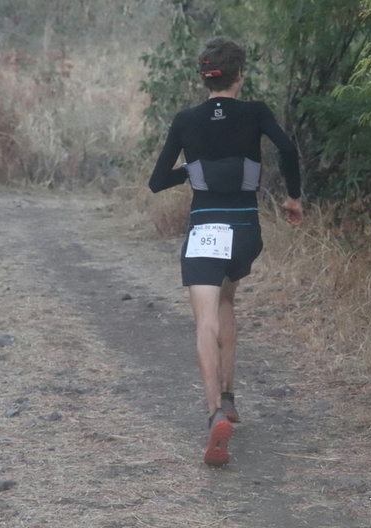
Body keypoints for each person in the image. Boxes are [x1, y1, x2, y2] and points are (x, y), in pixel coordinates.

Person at [148, 36, 303, 467]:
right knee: (228, 302)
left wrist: (190, 169)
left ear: (205, 78)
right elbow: (288, 149)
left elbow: (157, 181)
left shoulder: (186, 120)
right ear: (240, 76)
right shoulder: (256, 112)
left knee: (206, 320)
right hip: (245, 230)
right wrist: (293, 198)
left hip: (206, 231)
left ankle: (215, 411)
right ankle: (231, 397)